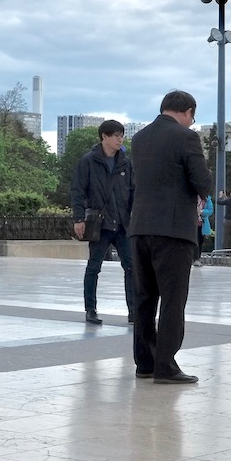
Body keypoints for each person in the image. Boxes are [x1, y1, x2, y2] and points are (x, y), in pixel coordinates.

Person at [129, 90, 213, 384]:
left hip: (140, 227)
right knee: (173, 300)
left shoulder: (139, 138)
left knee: (144, 299)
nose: (191, 123)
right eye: (192, 117)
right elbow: (203, 183)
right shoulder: (186, 137)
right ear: (187, 111)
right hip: (173, 230)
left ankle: (145, 362)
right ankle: (166, 365)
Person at [70, 119, 136, 325]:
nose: (120, 139)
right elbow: (78, 191)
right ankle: (90, 309)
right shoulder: (89, 161)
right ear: (104, 137)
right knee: (94, 266)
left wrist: (134, 215)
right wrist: (78, 218)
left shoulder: (126, 162)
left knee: (132, 267)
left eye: (122, 135)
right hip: (100, 223)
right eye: (116, 135)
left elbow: (134, 191)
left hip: (123, 223)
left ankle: (134, 311)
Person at [215, 188, 231, 252]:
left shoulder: (229, 200)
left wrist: (220, 196)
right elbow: (230, 201)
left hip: (228, 220)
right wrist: (226, 197)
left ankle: (224, 252)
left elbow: (219, 202)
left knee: (225, 237)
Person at [194, 195, 212, 267]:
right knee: (195, 240)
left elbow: (210, 210)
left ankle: (198, 258)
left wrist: (202, 212)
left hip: (202, 224)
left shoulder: (207, 199)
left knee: (200, 241)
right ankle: (195, 258)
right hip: (193, 223)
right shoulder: (193, 196)